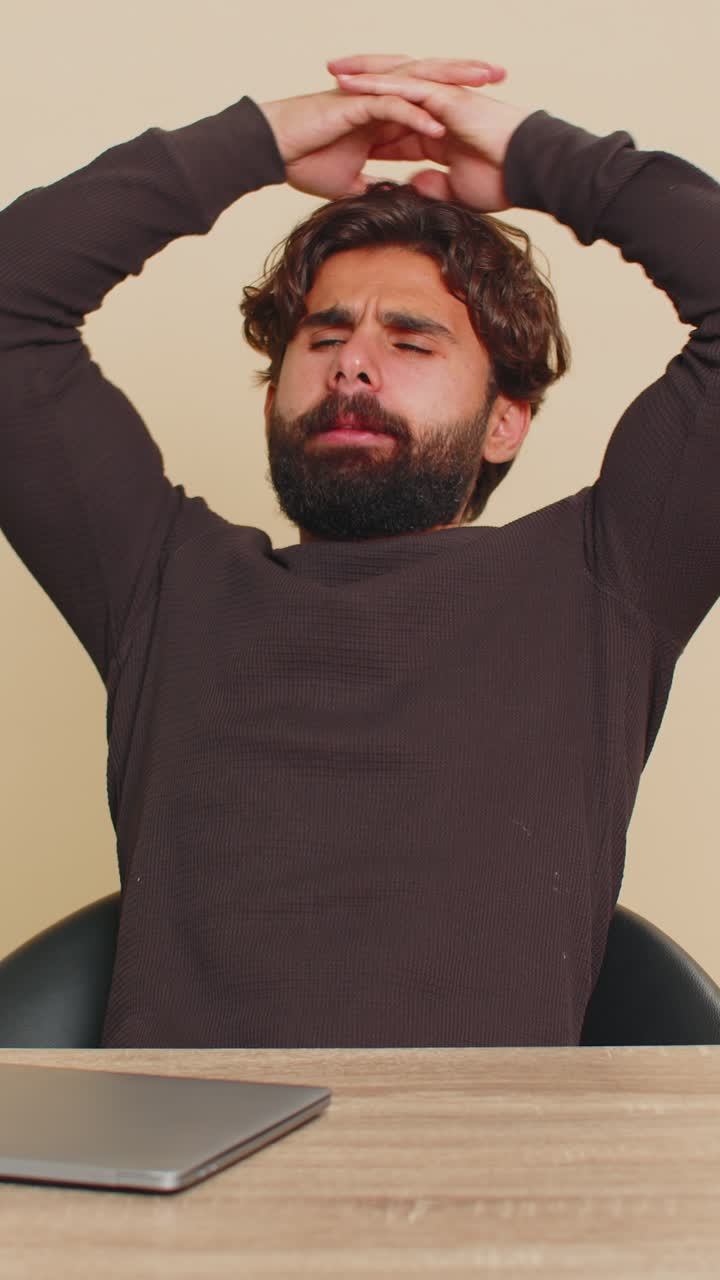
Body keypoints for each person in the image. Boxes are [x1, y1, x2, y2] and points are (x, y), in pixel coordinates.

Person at [0, 56, 718, 1048]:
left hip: (490, 1177)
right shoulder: (162, 580)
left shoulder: (604, 581)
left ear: (506, 421)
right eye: (322, 334)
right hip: (183, 1174)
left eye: (413, 341)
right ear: (274, 394)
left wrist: (538, 158)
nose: (353, 360)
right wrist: (261, 137)